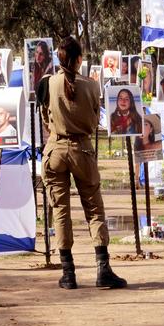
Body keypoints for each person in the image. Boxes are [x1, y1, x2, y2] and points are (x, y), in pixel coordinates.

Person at [39, 36, 126, 290]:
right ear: (79, 59)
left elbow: (46, 118)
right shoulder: (91, 86)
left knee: (61, 211)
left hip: (55, 149)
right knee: (94, 209)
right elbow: (92, 122)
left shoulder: (48, 84)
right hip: (82, 149)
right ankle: (103, 269)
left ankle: (68, 273)